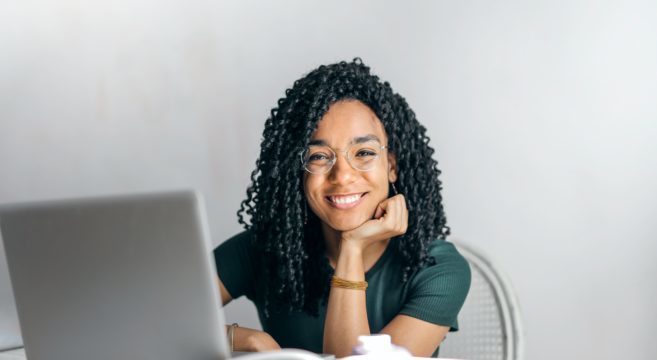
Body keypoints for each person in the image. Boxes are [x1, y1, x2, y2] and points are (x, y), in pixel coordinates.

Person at [213, 58, 471, 358]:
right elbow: (153, 317)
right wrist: (245, 340)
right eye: (319, 157)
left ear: (392, 166)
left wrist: (352, 247)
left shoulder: (437, 268)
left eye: (364, 152)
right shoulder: (263, 248)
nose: (343, 176)